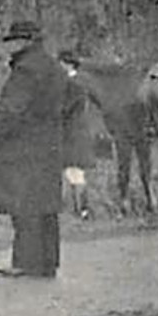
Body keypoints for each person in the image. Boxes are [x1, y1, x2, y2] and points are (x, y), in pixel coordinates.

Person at [0, 21, 86, 279]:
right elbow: (73, 99)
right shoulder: (53, 66)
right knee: (47, 207)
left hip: (23, 146)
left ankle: (24, 262)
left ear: (26, 41)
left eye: (13, 41)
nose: (9, 46)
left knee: (24, 206)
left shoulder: (25, 70)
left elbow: (11, 110)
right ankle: (48, 263)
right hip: (50, 145)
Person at [57, 50, 101, 220]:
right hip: (76, 132)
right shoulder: (80, 82)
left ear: (67, 64)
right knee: (73, 172)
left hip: (73, 133)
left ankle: (82, 210)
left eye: (60, 63)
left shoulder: (73, 83)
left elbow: (64, 109)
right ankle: (80, 209)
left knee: (74, 172)